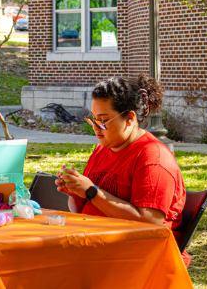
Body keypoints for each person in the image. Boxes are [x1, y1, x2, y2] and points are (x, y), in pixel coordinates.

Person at [55, 74, 190, 265]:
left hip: (142, 257)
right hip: (97, 244)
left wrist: (91, 191)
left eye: (103, 120)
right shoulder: (103, 148)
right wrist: (76, 192)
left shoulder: (153, 157)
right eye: (92, 119)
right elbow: (83, 208)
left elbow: (149, 223)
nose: (95, 127)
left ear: (129, 118)